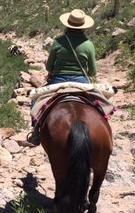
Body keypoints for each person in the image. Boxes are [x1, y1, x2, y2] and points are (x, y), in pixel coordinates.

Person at [27, 8, 97, 146]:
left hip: (58, 81)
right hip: (81, 81)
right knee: (99, 104)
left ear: (68, 25)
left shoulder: (58, 42)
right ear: (83, 27)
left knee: (35, 100)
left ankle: (36, 132)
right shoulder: (89, 45)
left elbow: (49, 67)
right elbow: (92, 72)